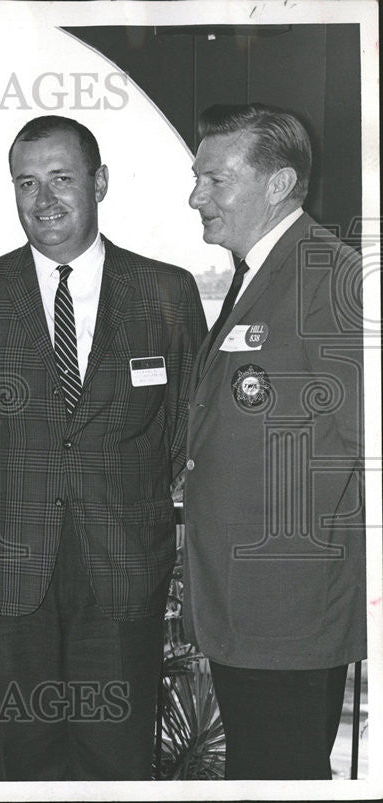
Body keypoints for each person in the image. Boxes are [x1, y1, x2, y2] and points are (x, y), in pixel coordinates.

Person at [0, 115, 207, 780]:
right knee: (26, 766)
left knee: (116, 761)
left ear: (98, 182)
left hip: (123, 573)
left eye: (62, 178)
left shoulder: (167, 291)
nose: (44, 199)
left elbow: (193, 427)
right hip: (10, 577)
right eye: (26, 182)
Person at [182, 103, 365, 780]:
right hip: (249, 609)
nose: (196, 196)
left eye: (215, 180)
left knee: (278, 776)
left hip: (285, 611)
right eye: (197, 178)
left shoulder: (331, 277)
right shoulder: (262, 273)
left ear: (278, 184)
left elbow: (355, 443)